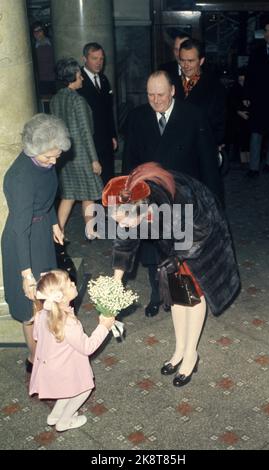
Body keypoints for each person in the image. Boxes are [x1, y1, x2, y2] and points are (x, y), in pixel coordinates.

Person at [102, 162, 240, 387]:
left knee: (192, 293)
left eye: (124, 220)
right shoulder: (130, 199)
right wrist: (117, 279)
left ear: (143, 208)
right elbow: (124, 240)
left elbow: (200, 231)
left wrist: (178, 257)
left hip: (201, 235)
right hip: (175, 236)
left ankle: (191, 355)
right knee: (175, 290)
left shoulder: (180, 199)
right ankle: (179, 350)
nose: (122, 225)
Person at [122, 70, 222, 317]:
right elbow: (129, 164)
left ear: (173, 91)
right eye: (150, 95)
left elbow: (209, 166)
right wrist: (128, 199)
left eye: (161, 95)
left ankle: (182, 298)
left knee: (181, 253)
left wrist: (213, 206)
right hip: (150, 200)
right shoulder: (137, 118)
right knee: (153, 251)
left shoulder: (194, 116)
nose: (155, 101)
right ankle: (157, 295)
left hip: (183, 199)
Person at [1, 114, 71, 372]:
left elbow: (47, 198)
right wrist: (26, 274)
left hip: (41, 232)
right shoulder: (20, 178)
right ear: (33, 150)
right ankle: (35, 360)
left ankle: (48, 351)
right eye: (48, 157)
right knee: (29, 306)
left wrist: (54, 223)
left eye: (56, 156)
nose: (53, 161)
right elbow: (20, 229)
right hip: (23, 240)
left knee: (48, 299)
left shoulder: (46, 163)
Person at [29, 270, 115, 431]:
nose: (74, 283)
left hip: (51, 366)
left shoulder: (42, 314)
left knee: (68, 389)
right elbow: (87, 347)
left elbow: (36, 336)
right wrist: (104, 326)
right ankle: (64, 421)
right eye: (69, 283)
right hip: (65, 368)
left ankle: (55, 415)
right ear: (60, 296)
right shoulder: (68, 322)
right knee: (83, 389)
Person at [50, 58, 103, 239]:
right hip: (81, 155)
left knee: (70, 194)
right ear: (72, 77)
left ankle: (58, 231)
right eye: (80, 75)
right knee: (89, 191)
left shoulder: (56, 99)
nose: (82, 78)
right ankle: (90, 229)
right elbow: (86, 132)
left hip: (64, 155)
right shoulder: (77, 101)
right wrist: (94, 160)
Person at [78, 42, 117, 186]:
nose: (99, 62)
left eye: (101, 59)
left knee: (108, 177)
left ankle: (108, 206)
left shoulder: (104, 79)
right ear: (84, 59)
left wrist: (113, 135)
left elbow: (108, 111)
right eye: (95, 58)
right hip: (90, 139)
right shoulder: (78, 81)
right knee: (92, 182)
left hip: (105, 139)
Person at [243, 21, 269, 177]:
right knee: (256, 133)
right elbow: (249, 75)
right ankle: (254, 167)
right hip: (258, 99)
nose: (267, 34)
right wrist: (246, 95)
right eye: (266, 31)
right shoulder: (257, 52)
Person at [179, 38, 227, 151]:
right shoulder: (170, 83)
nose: (185, 65)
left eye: (190, 61)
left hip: (202, 147)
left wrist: (215, 143)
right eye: (182, 60)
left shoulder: (215, 87)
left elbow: (220, 121)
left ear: (201, 61)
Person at [159, 33, 191, 99]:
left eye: (182, 49)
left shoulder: (206, 72)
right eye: (176, 49)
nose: (179, 54)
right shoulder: (163, 70)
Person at [31, 21, 56, 96]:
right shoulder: (34, 45)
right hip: (39, 81)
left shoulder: (50, 43)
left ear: (44, 31)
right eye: (34, 31)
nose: (37, 33)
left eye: (39, 30)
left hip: (51, 80)